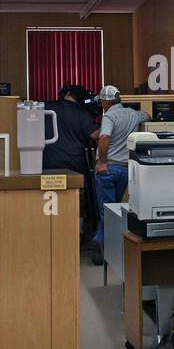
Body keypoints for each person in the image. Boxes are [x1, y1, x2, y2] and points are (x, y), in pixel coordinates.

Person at [89, 85, 148, 265]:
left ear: (106, 102)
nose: (102, 105)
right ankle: (111, 249)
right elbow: (148, 116)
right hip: (125, 169)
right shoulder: (133, 114)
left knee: (106, 211)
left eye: (102, 102)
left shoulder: (109, 116)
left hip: (108, 170)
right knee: (118, 211)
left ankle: (101, 247)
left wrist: (102, 162)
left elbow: (104, 137)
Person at [44, 84, 100, 237]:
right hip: (74, 164)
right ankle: (77, 232)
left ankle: (50, 231)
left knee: (50, 196)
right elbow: (95, 134)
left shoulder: (46, 106)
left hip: (47, 161)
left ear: (67, 93)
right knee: (76, 198)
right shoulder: (81, 113)